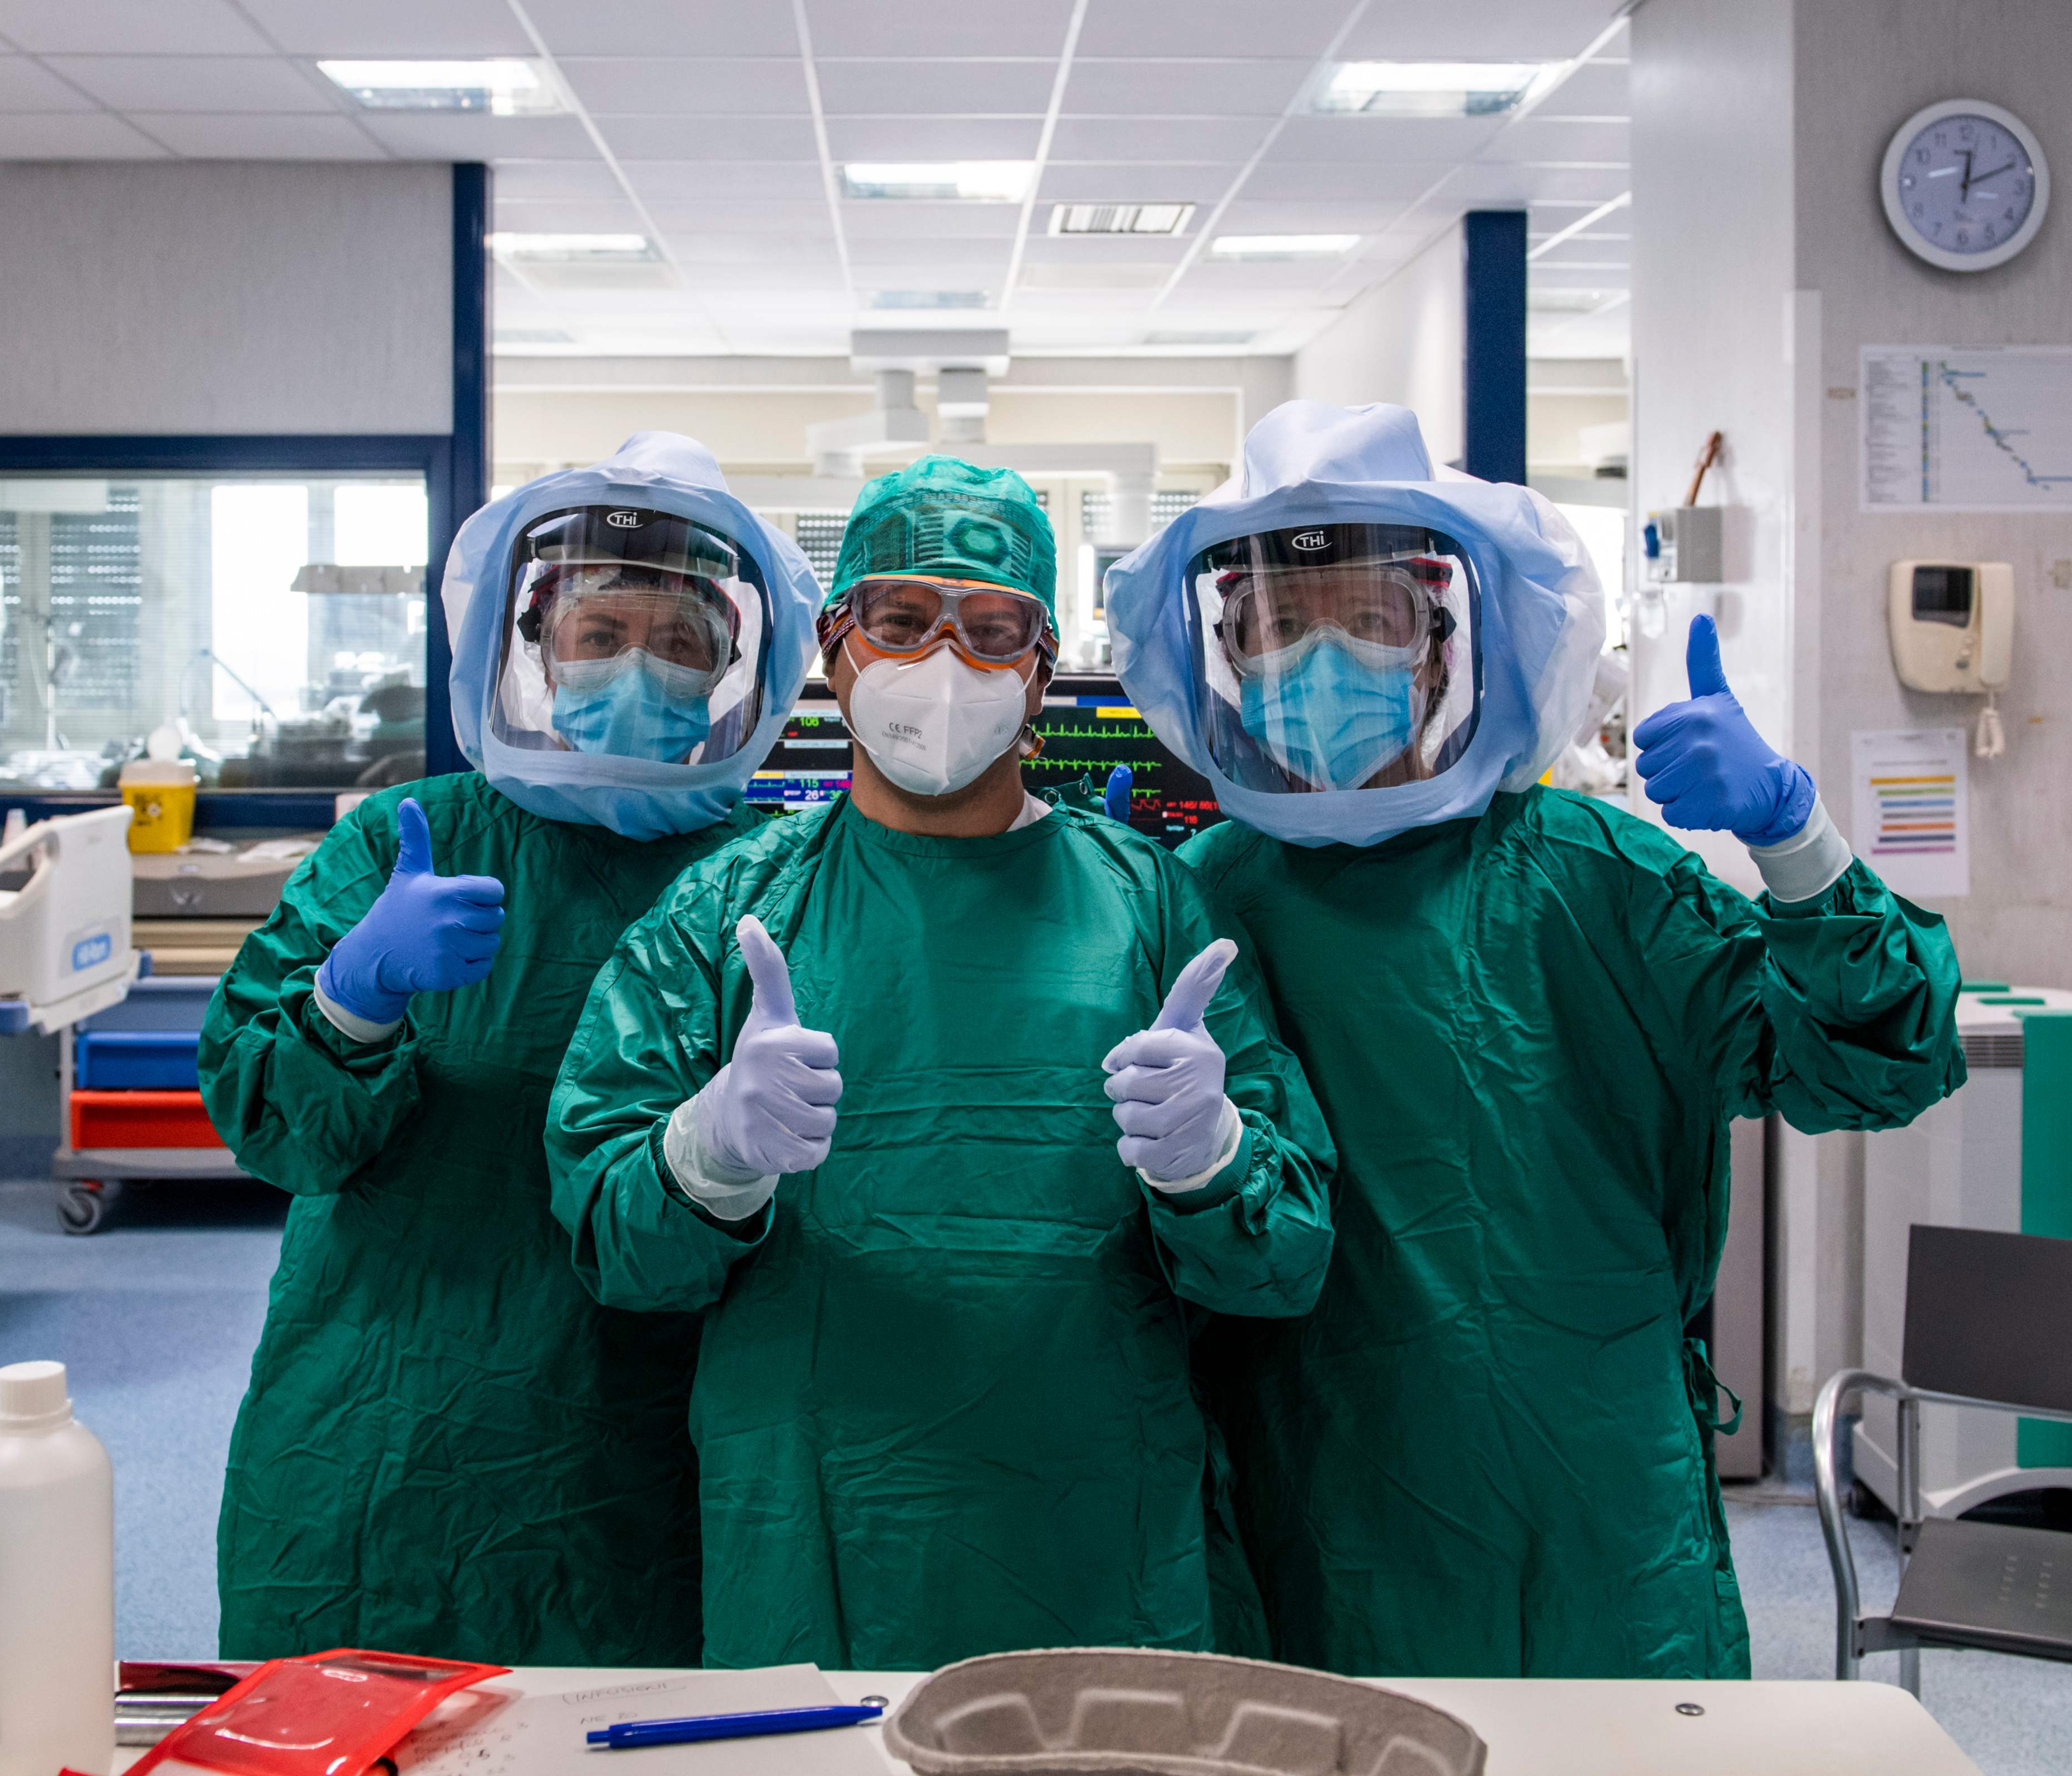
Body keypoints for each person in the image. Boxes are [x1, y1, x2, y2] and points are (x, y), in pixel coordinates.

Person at [1105, 400, 1965, 1680]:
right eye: (1281, 627)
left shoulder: (1598, 874)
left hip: (1594, 1487)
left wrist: (1798, 842)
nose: (1321, 658)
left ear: (1455, 641)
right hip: (1323, 1474)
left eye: (1371, 619)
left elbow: (1870, 1063)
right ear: (1225, 651)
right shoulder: (1201, 894)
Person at [544, 455, 1337, 1670]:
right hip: (811, 1506)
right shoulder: (729, 914)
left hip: (1094, 1512)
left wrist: (1212, 1160)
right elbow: (612, 1244)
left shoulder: (1150, 908)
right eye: (903, 622)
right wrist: (708, 1155)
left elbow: (1286, 1258)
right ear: (833, 644)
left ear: (1041, 668)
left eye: (991, 629)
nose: (945, 665)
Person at [200, 432, 822, 1664]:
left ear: (733, 677)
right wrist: (352, 997)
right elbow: (268, 1127)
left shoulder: (775, 881)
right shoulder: (406, 839)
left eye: (681, 644)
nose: (638, 667)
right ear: (535, 648)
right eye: (601, 636)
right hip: (393, 1426)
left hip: (654, 1442)